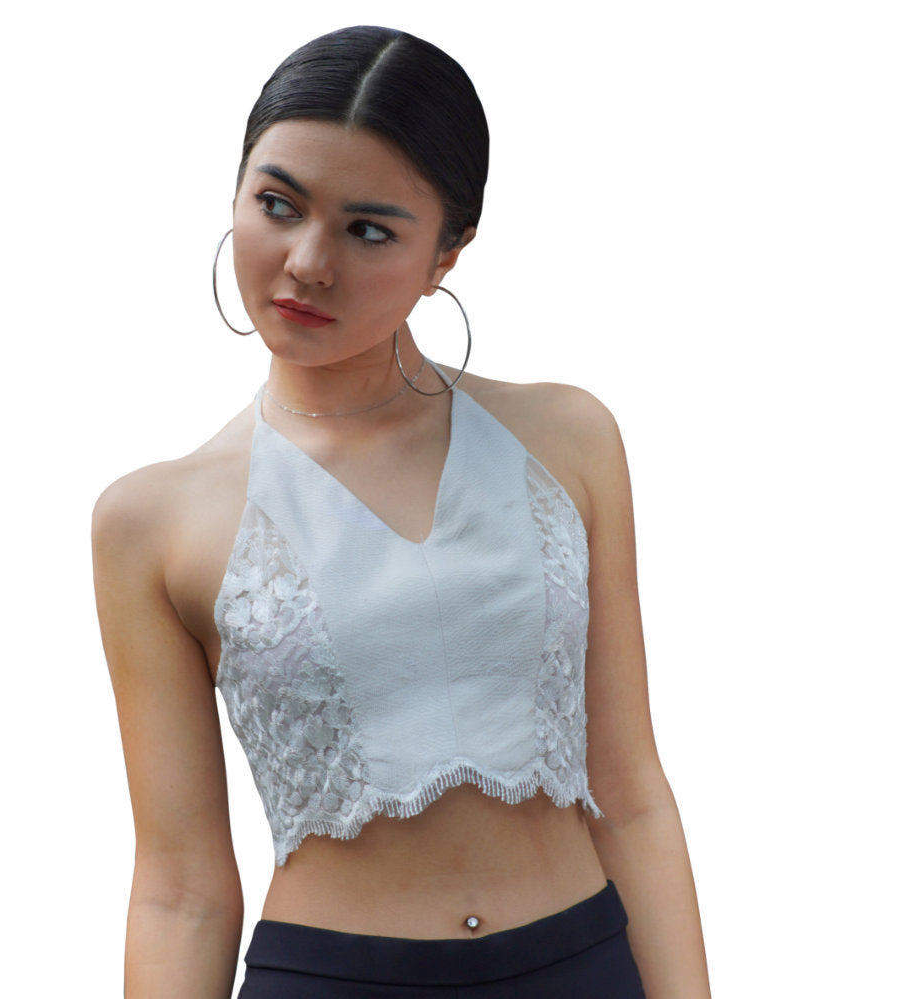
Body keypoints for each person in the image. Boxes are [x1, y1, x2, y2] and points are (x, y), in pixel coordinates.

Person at [93, 25, 711, 999]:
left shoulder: (569, 440)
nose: (306, 262)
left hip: (580, 965)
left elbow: (630, 793)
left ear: (447, 254)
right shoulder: (150, 521)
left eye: (368, 230)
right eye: (277, 205)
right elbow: (181, 890)